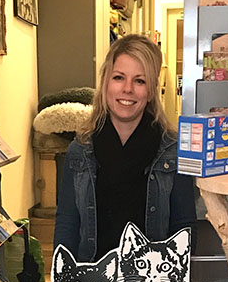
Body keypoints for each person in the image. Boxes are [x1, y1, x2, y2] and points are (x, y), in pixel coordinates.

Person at [54, 34, 197, 262]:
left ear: (151, 91)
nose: (127, 89)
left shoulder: (173, 151)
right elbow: (67, 223)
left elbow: (184, 228)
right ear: (106, 83)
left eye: (139, 81)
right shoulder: (80, 150)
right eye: (119, 77)